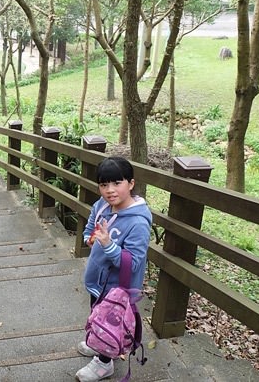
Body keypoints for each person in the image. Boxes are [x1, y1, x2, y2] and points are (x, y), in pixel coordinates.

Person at [76, 156, 152, 382]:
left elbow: (133, 262)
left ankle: (104, 362)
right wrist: (90, 238)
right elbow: (90, 227)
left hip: (117, 289)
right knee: (97, 315)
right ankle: (98, 342)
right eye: (103, 185)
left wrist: (108, 245)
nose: (110, 190)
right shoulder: (101, 205)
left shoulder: (138, 222)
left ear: (131, 183)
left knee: (111, 321)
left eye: (117, 183)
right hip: (98, 281)